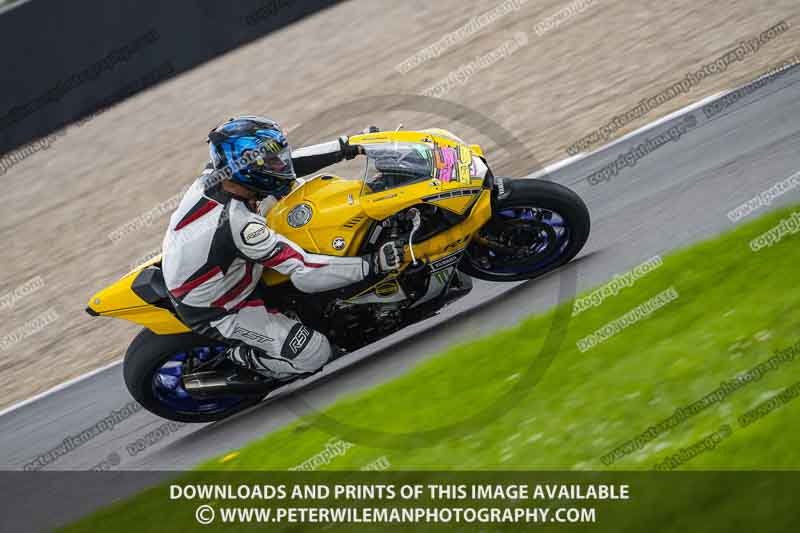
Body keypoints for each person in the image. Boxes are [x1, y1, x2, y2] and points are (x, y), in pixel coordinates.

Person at [161, 116, 403, 381]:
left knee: (296, 193)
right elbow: (305, 272)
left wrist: (351, 145)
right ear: (247, 167)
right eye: (272, 160)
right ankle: (241, 358)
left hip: (208, 264)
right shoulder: (240, 225)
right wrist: (372, 264)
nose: (281, 163)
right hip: (221, 307)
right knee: (315, 353)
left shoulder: (219, 175)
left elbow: (291, 164)